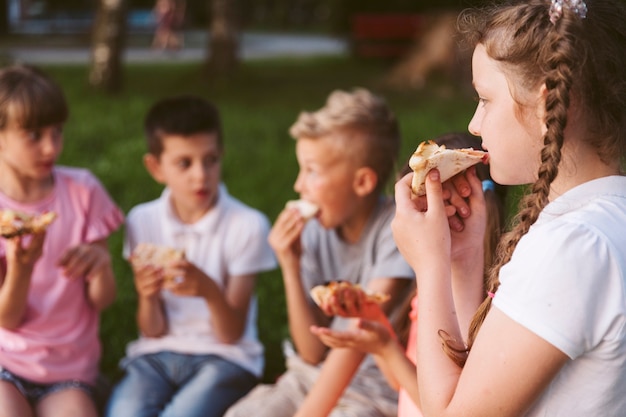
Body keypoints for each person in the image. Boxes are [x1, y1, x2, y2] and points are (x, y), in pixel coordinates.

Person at [391, 0, 626, 415]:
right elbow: (481, 381)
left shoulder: (572, 248)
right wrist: (462, 262)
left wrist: (430, 268)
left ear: (549, 103)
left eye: (485, 99)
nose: (473, 124)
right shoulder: (605, 221)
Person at [225, 88, 415, 417]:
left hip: (370, 391)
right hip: (307, 377)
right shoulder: (316, 231)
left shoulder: (396, 230)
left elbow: (359, 336)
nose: (299, 185)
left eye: (312, 171)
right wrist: (290, 265)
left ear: (362, 182)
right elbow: (311, 351)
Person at [311, 132, 507, 417]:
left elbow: (444, 406)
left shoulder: (492, 307)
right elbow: (411, 386)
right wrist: (379, 336)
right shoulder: (425, 296)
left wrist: (388, 349)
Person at [104, 95, 277, 417]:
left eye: (210, 160)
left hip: (225, 358)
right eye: (184, 163)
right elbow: (152, 330)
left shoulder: (247, 225)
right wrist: (147, 295)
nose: (201, 175)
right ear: (156, 167)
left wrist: (209, 290)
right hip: (155, 355)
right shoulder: (142, 221)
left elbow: (231, 334)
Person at [0, 64, 124, 417]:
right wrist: (21, 268)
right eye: (34, 135)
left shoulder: (83, 191)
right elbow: (6, 318)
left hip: (68, 371)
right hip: (5, 361)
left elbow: (103, 299)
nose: (51, 146)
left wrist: (102, 268)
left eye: (57, 131)